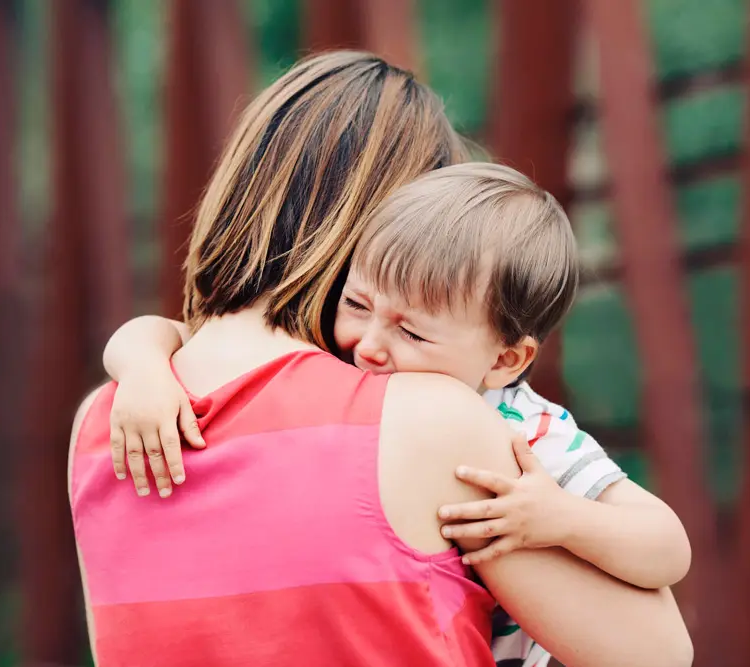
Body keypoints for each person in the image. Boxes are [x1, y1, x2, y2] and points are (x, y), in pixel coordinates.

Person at [69, 51, 692, 666]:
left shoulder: (103, 424)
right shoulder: (432, 419)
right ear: (387, 230)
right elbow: (660, 653)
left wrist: (144, 361)